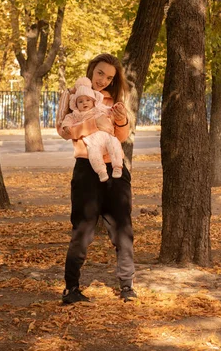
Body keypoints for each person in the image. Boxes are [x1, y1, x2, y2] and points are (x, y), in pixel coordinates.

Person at [56, 53, 137, 304]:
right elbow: (63, 130)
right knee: (83, 229)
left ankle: (127, 286)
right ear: (92, 69)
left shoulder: (114, 100)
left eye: (109, 77)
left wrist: (121, 119)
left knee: (122, 229)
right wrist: (93, 125)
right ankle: (71, 289)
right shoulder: (72, 96)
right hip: (85, 170)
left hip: (115, 169)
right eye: (100, 73)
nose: (103, 80)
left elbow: (121, 136)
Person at [61, 77, 124, 182]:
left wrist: (118, 108)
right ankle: (101, 172)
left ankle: (117, 167)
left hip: (106, 136)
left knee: (115, 144)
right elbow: (67, 120)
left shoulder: (98, 108)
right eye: (80, 101)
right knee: (94, 154)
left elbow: (110, 111)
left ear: (93, 101)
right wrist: (66, 126)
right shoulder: (76, 114)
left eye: (88, 100)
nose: (84, 103)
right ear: (75, 104)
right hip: (92, 141)